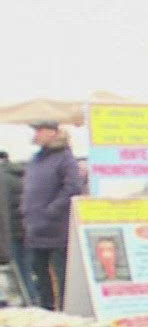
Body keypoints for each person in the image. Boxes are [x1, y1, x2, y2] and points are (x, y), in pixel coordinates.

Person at [21, 121, 86, 311]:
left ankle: (65, 310)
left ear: (53, 132)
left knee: (61, 273)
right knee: (39, 272)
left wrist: (51, 210)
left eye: (40, 130)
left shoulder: (65, 158)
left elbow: (72, 188)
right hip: (34, 226)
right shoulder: (36, 159)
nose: (36, 134)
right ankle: (46, 309)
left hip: (57, 228)